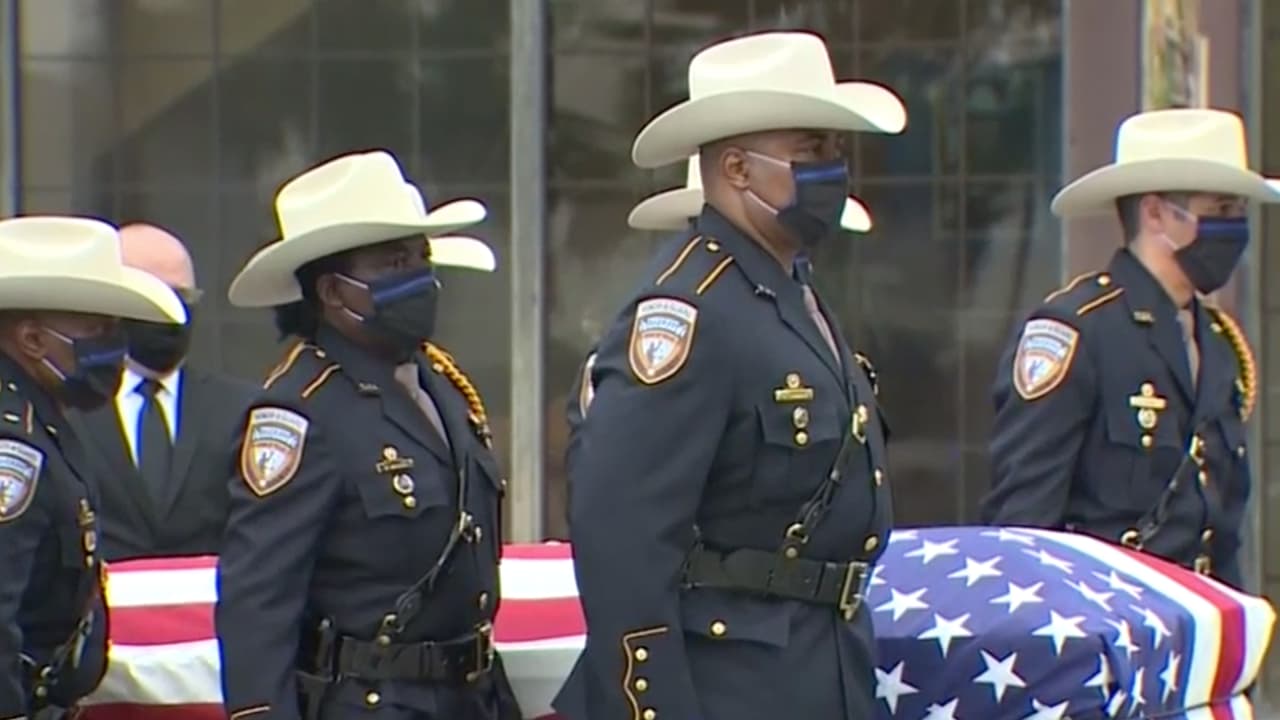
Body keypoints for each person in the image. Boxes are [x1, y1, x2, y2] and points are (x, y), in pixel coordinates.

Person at [554, 31, 904, 720]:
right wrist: (650, 706)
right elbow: (623, 532)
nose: (834, 171)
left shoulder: (786, 294)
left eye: (836, 151)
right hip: (728, 684)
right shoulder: (690, 312)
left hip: (820, 667)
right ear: (738, 168)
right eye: (811, 152)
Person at [214, 149, 520, 720]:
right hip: (373, 701)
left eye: (421, 257)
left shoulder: (441, 384)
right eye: (394, 262)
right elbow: (258, 601)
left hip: (474, 697)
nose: (420, 277)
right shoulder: (300, 414)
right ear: (332, 292)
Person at [981, 108, 1274, 589]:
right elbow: (1024, 524)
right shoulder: (1079, 331)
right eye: (1220, 211)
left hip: (1199, 628)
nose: (1236, 228)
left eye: (1239, 211)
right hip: (1107, 626)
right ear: (1156, 213)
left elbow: (1221, 530)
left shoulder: (1221, 346)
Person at [0, 216, 188, 718]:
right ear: (33, 340)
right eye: (97, 331)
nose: (116, 350)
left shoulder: (47, 421)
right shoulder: (11, 444)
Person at [67, 223, 257, 561]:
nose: (171, 312)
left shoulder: (243, 411)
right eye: (154, 297)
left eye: (181, 297)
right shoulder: (65, 411)